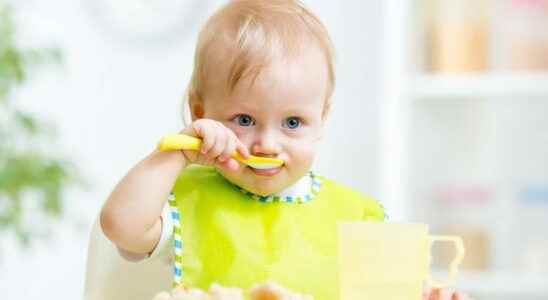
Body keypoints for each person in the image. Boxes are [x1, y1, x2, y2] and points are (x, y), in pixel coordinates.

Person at [100, 1, 472, 299]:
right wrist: (177, 152)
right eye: (243, 120)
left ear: (322, 119)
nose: (267, 143)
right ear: (201, 113)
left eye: (292, 123)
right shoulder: (183, 201)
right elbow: (119, 226)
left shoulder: (358, 217)